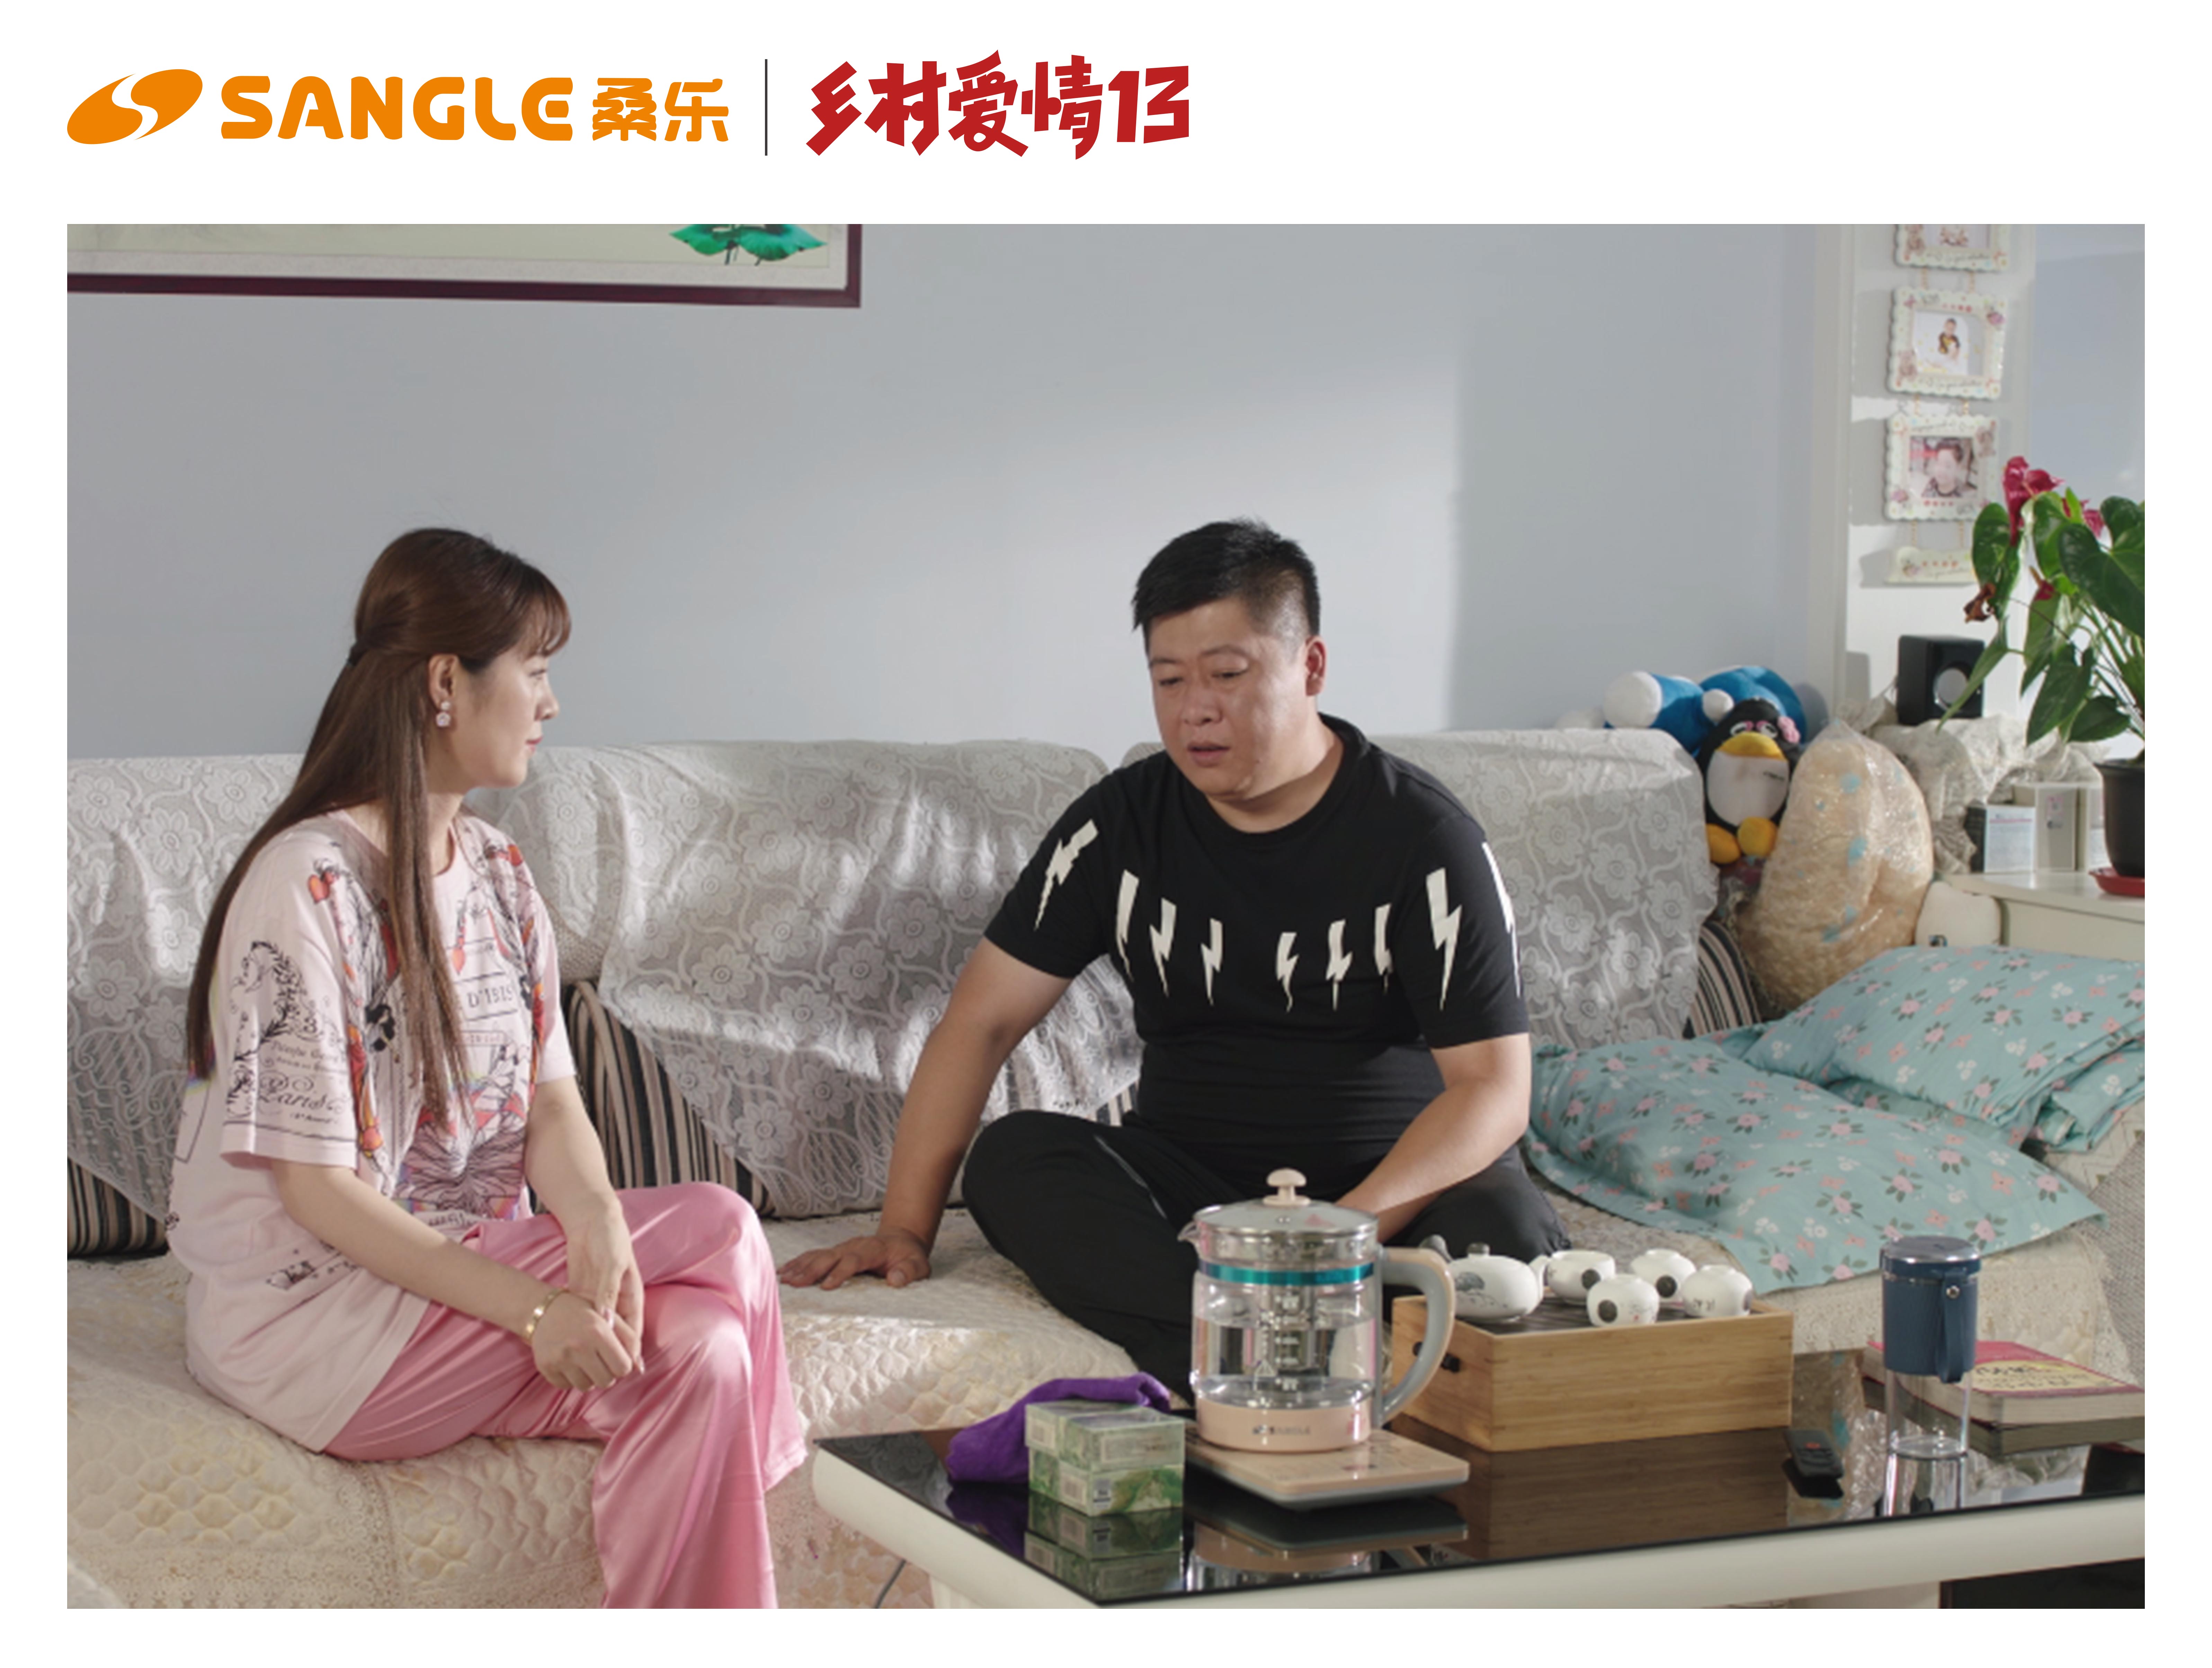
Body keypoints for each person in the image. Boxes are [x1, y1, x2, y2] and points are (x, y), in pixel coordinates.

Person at [169, 529, 805, 1607]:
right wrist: (535, 1309)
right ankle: (783, 1471)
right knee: (723, 1226)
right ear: (443, 684)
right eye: (537, 669)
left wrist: (594, 1224)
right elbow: (315, 1192)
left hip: (449, 1293)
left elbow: (551, 1104)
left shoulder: (502, 873)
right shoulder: (306, 885)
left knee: (705, 1349)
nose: (553, 702)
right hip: (320, 1325)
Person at [779, 519, 1567, 1388]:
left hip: (1389, 1193)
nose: (1195, 709)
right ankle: (1233, 1347)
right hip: (1194, 1194)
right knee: (1014, 1158)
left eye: (1227, 674)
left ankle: (1251, 1327)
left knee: (1507, 1243)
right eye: (1168, 679)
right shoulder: (1117, 827)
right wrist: (902, 1230)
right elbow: (981, 1023)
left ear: (1309, 667)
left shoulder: (1423, 839)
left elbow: (1493, 1091)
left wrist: (1330, 1240)